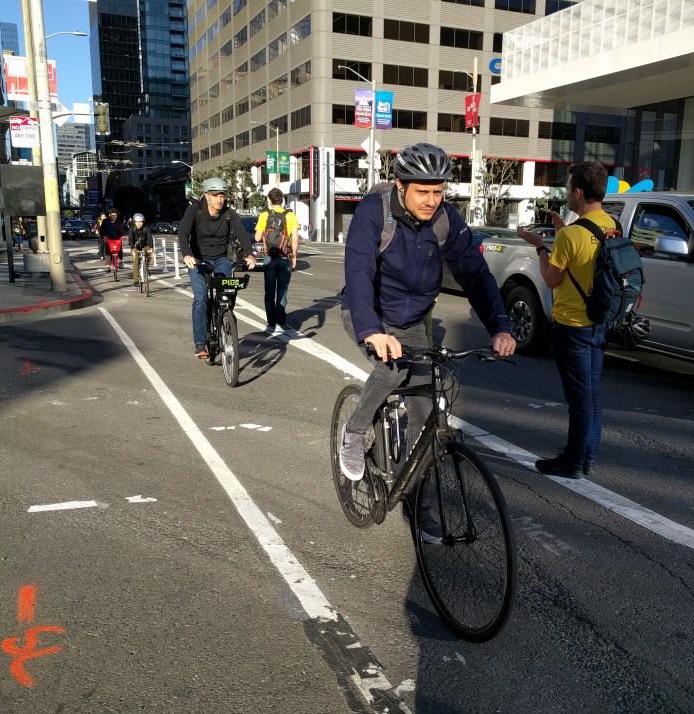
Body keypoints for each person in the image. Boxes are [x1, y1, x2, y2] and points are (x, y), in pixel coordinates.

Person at [338, 143, 516, 518]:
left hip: (412, 322)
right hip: (367, 312)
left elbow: (475, 273)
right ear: (400, 185)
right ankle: (354, 431)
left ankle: (415, 501)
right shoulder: (375, 212)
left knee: (426, 413)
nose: (432, 200)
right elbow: (358, 270)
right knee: (392, 368)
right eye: (423, 190)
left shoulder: (446, 220)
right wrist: (371, 330)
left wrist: (500, 325)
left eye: (438, 191)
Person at [517, 160, 614, 480]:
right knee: (592, 394)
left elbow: (551, 279)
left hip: (572, 327)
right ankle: (586, 457)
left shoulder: (571, 236)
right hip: (600, 321)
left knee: (579, 400)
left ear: (578, 192)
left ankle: (572, 462)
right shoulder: (611, 225)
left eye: (570, 187)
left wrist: (541, 246)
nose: (567, 193)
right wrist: (561, 233)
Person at [177, 177, 257, 359]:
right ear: (206, 196)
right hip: (198, 260)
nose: (219, 199)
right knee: (200, 298)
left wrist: (250, 254)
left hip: (221, 258)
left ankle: (224, 316)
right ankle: (199, 343)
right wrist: (187, 254)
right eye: (215, 195)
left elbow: (242, 234)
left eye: (222, 195)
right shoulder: (194, 210)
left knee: (228, 290)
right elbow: (183, 232)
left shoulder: (229, 213)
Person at [254, 188, 299, 333]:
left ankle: (271, 324)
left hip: (269, 258)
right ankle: (281, 322)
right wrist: (294, 256)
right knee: (282, 291)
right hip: (285, 257)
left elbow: (256, 237)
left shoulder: (264, 215)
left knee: (269, 292)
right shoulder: (291, 216)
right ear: (282, 200)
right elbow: (295, 239)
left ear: (270, 200)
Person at [129, 213, 155, 288]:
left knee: (149, 255)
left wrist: (151, 247)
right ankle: (135, 281)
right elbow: (131, 239)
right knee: (136, 261)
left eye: (140, 222)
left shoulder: (146, 228)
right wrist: (133, 248)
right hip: (135, 246)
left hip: (144, 245)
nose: (139, 224)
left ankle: (145, 267)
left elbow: (150, 238)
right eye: (137, 222)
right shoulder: (132, 228)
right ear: (134, 222)